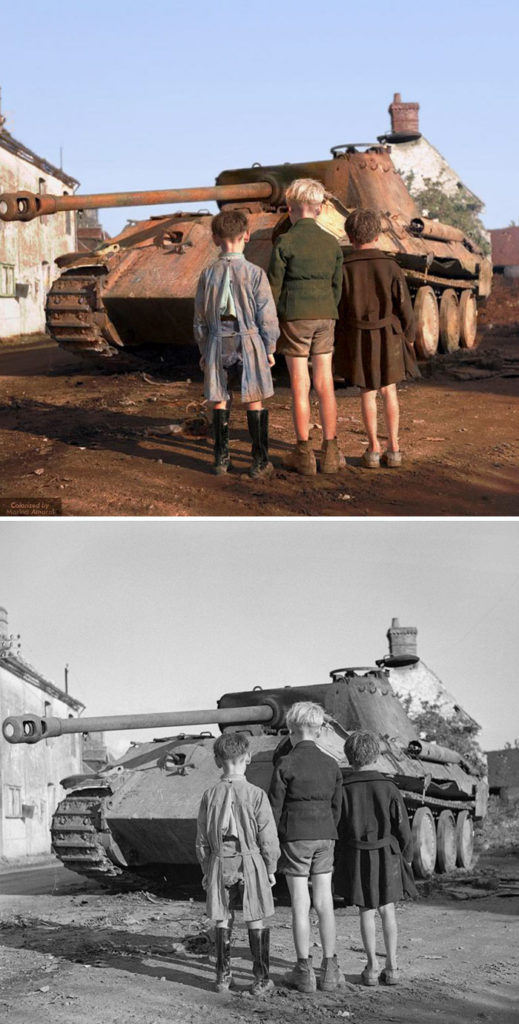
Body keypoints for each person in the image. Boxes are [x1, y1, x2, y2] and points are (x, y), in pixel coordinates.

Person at [193, 209, 279, 478]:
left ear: (216, 239)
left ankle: (221, 460)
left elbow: (199, 319)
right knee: (253, 396)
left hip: (218, 341)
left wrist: (204, 350)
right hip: (250, 340)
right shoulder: (255, 273)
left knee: (218, 397)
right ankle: (259, 462)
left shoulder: (207, 274)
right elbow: (267, 316)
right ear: (247, 236)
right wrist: (270, 348)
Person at [267, 179, 344, 475]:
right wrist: (328, 308)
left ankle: (304, 454)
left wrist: (271, 321)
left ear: (289, 210)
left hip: (294, 317)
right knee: (325, 383)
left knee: (301, 385)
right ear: (321, 209)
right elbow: (337, 286)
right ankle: (332, 452)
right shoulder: (331, 243)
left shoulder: (285, 242)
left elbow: (273, 287)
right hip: (326, 316)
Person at [334, 208, 420, 469]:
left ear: (349, 236)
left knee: (367, 393)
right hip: (389, 336)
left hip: (359, 336)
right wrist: (410, 335)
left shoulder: (344, 267)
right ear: (379, 235)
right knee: (389, 391)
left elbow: (339, 307)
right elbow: (404, 306)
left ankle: (372, 449)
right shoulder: (391, 265)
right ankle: (394, 449)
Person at [268, 701, 344, 993]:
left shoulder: (285, 764)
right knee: (324, 901)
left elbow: (274, 807)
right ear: (320, 730)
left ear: (290, 731)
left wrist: (273, 843)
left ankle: (304, 971)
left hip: (295, 837)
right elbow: (338, 807)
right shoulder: (331, 764)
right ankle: (330, 969)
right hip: (326, 836)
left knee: (301, 903)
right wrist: (328, 828)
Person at [196, 731, 280, 994]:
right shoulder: (257, 794)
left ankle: (222, 977)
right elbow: (268, 839)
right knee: (255, 916)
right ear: (249, 757)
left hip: (220, 862)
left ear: (217, 761)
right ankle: (261, 979)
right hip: (251, 861)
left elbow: (201, 841)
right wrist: (271, 868)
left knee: (222, 917)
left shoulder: (209, 795)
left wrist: (206, 869)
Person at [336, 730, 417, 986]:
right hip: (387, 855)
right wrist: (407, 856)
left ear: (349, 757)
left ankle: (371, 968)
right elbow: (403, 828)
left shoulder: (343, 788)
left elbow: (338, 827)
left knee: (366, 912)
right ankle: (392, 968)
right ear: (376, 755)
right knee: (387, 911)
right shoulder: (389, 786)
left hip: (358, 855)